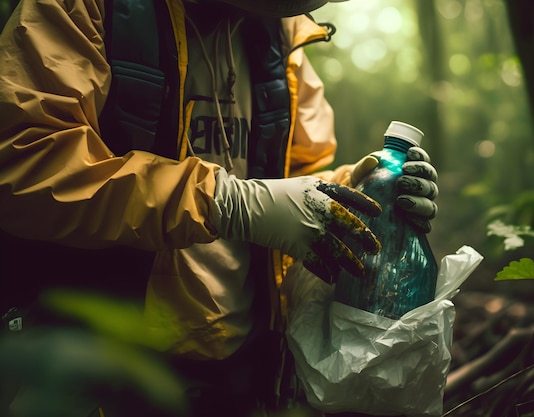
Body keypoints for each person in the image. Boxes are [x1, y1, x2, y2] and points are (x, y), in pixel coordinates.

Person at [0, 0, 439, 416]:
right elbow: (25, 162)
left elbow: (301, 172)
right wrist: (223, 202)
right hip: (102, 363)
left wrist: (357, 197)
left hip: (245, 363)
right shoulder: (90, 8)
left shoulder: (279, 39)